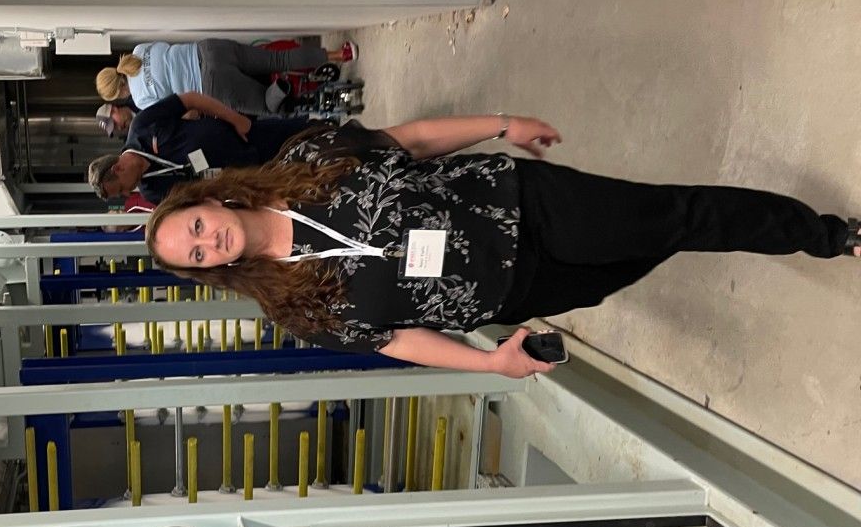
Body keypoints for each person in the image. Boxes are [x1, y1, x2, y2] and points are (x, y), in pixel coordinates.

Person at [145, 115, 858, 377]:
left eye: (197, 227)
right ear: (214, 271)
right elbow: (395, 340)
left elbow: (411, 141)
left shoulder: (306, 160)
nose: (208, 241)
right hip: (516, 291)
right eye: (197, 254)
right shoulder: (294, 308)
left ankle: (830, 235)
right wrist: (490, 363)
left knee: (678, 218)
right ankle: (752, 230)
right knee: (640, 255)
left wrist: (501, 124)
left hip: (525, 207)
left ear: (210, 200)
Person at [87, 91, 315, 205]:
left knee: (312, 133)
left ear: (117, 169)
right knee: (312, 172)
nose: (128, 193)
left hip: (245, 137)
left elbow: (190, 100)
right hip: (252, 180)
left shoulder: (142, 127)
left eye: (121, 189)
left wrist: (235, 119)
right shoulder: (152, 192)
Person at [96, 38, 356, 116]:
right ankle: (340, 53)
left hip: (212, 85)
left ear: (118, 95)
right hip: (211, 49)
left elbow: (181, 110)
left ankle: (285, 87)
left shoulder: (142, 100)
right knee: (278, 59)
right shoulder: (139, 51)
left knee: (267, 106)